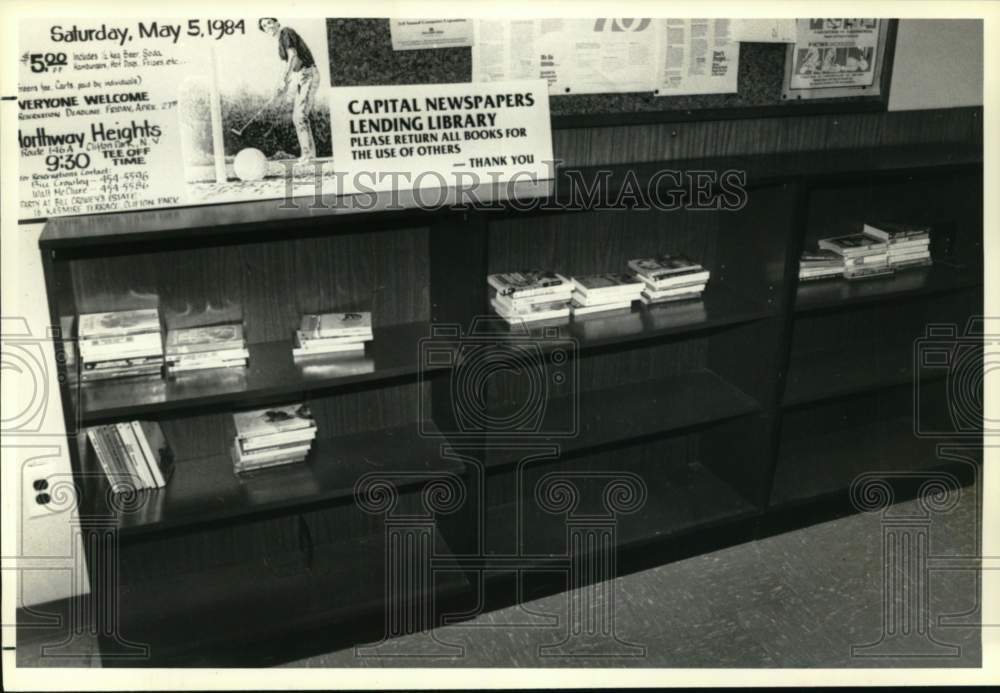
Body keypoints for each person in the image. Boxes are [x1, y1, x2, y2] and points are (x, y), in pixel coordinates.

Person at [258, 18, 318, 164]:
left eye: (269, 23)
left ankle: (308, 156)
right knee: (298, 117)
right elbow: (288, 66)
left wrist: (284, 79)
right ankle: (309, 155)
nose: (268, 27)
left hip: (308, 74)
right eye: (264, 26)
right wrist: (281, 85)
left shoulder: (286, 32)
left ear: (277, 23)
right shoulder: (280, 44)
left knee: (300, 116)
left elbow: (293, 56)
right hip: (300, 77)